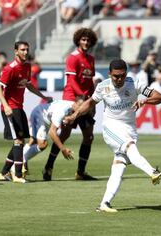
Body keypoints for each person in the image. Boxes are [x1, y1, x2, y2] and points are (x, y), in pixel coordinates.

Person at [65, 59, 161, 213]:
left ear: (126, 74)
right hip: (111, 128)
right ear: (109, 74)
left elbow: (160, 97)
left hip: (129, 129)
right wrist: (75, 115)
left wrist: (145, 101)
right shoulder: (103, 87)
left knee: (119, 167)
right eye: (115, 76)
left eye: (122, 76)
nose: (119, 80)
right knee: (129, 146)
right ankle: (152, 172)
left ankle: (104, 203)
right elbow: (90, 103)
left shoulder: (135, 83)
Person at [43, 28, 98, 181]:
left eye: (88, 40)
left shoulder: (91, 59)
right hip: (71, 101)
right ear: (78, 40)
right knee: (64, 135)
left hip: (85, 102)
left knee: (89, 136)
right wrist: (80, 98)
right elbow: (71, 81)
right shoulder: (72, 58)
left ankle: (80, 172)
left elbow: (90, 82)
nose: (86, 42)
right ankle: (48, 167)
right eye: (83, 40)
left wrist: (92, 101)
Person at [0, 41, 52, 183]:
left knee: (20, 141)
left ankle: (3, 173)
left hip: (19, 108)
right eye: (22, 50)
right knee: (18, 141)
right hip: (9, 108)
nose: (25, 52)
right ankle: (18, 175)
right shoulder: (10, 68)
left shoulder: (27, 66)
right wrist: (6, 106)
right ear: (15, 51)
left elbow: (28, 85)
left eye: (27, 49)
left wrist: (42, 96)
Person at [10, 99, 83, 176]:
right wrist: (63, 149)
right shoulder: (61, 112)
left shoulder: (72, 107)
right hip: (40, 114)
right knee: (42, 144)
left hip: (44, 116)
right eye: (79, 106)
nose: (81, 109)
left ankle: (15, 166)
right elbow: (52, 133)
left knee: (33, 141)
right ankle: (17, 165)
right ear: (75, 103)